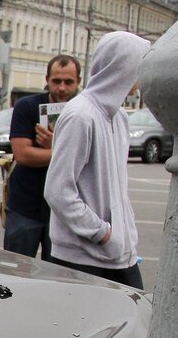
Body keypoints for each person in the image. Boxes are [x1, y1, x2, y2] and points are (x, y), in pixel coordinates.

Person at [44, 31, 152, 289]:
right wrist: (103, 234)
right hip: (84, 258)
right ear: (123, 66)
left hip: (119, 255)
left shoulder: (119, 116)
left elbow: (115, 188)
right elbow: (58, 190)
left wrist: (125, 236)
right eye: (142, 64)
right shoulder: (80, 116)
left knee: (135, 323)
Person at [2, 54, 82, 259]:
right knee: (15, 271)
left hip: (64, 211)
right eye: (56, 81)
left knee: (58, 277)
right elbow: (23, 154)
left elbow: (89, 158)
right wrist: (61, 151)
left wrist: (51, 147)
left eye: (68, 82)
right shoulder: (27, 106)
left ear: (79, 82)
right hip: (25, 206)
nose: (62, 88)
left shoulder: (84, 111)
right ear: (47, 80)